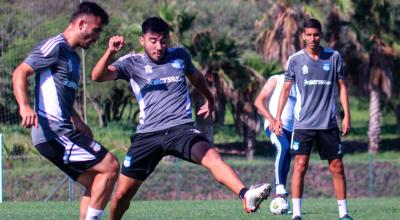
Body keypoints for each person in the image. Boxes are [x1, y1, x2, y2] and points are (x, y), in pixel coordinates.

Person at [91, 17, 271, 220]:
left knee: (212, 157)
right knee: (122, 195)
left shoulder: (179, 56)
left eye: (163, 40)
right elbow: (97, 76)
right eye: (153, 40)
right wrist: (110, 52)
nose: (159, 46)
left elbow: (197, 77)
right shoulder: (132, 63)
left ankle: (246, 195)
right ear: (142, 40)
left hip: (181, 129)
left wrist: (209, 98)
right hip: (147, 135)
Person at [12, 2, 119, 220]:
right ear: (81, 24)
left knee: (97, 181)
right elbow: (20, 71)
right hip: (53, 131)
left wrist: (77, 120)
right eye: (96, 30)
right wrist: (24, 106)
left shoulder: (72, 57)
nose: (98, 37)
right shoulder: (55, 46)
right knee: (111, 166)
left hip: (63, 129)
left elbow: (61, 97)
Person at [273, 18, 352, 220]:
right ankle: (297, 214)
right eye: (308, 34)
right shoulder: (295, 60)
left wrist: (347, 115)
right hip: (304, 124)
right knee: (300, 165)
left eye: (316, 34)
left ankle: (344, 214)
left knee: (337, 166)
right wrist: (277, 117)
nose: (312, 38)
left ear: (321, 35)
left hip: (328, 123)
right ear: (303, 36)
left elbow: (342, 87)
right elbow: (286, 90)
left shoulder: (334, 57)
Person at [254, 73, 296, 198]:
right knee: (283, 146)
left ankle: (281, 198)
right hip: (274, 125)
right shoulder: (277, 79)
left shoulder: (302, 84)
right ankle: (279, 186)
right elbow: (258, 102)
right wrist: (271, 119)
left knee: (288, 158)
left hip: (293, 129)